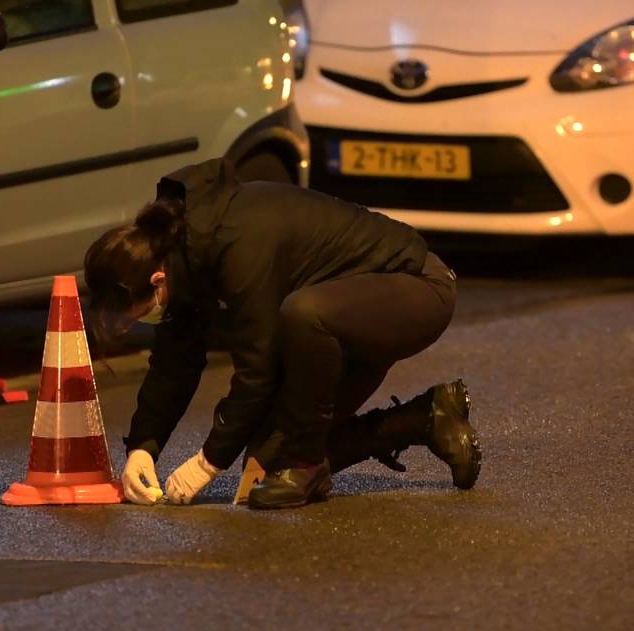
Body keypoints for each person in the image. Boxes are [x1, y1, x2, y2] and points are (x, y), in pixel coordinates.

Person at [84, 158, 481, 509]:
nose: (142, 321)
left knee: (302, 316)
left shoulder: (235, 242)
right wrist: (144, 447)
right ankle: (425, 418)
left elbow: (257, 369)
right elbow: (175, 362)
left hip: (415, 288)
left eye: (138, 313)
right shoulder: (183, 253)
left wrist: (209, 461)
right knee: (268, 465)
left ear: (157, 279)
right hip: (341, 315)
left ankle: (306, 463)